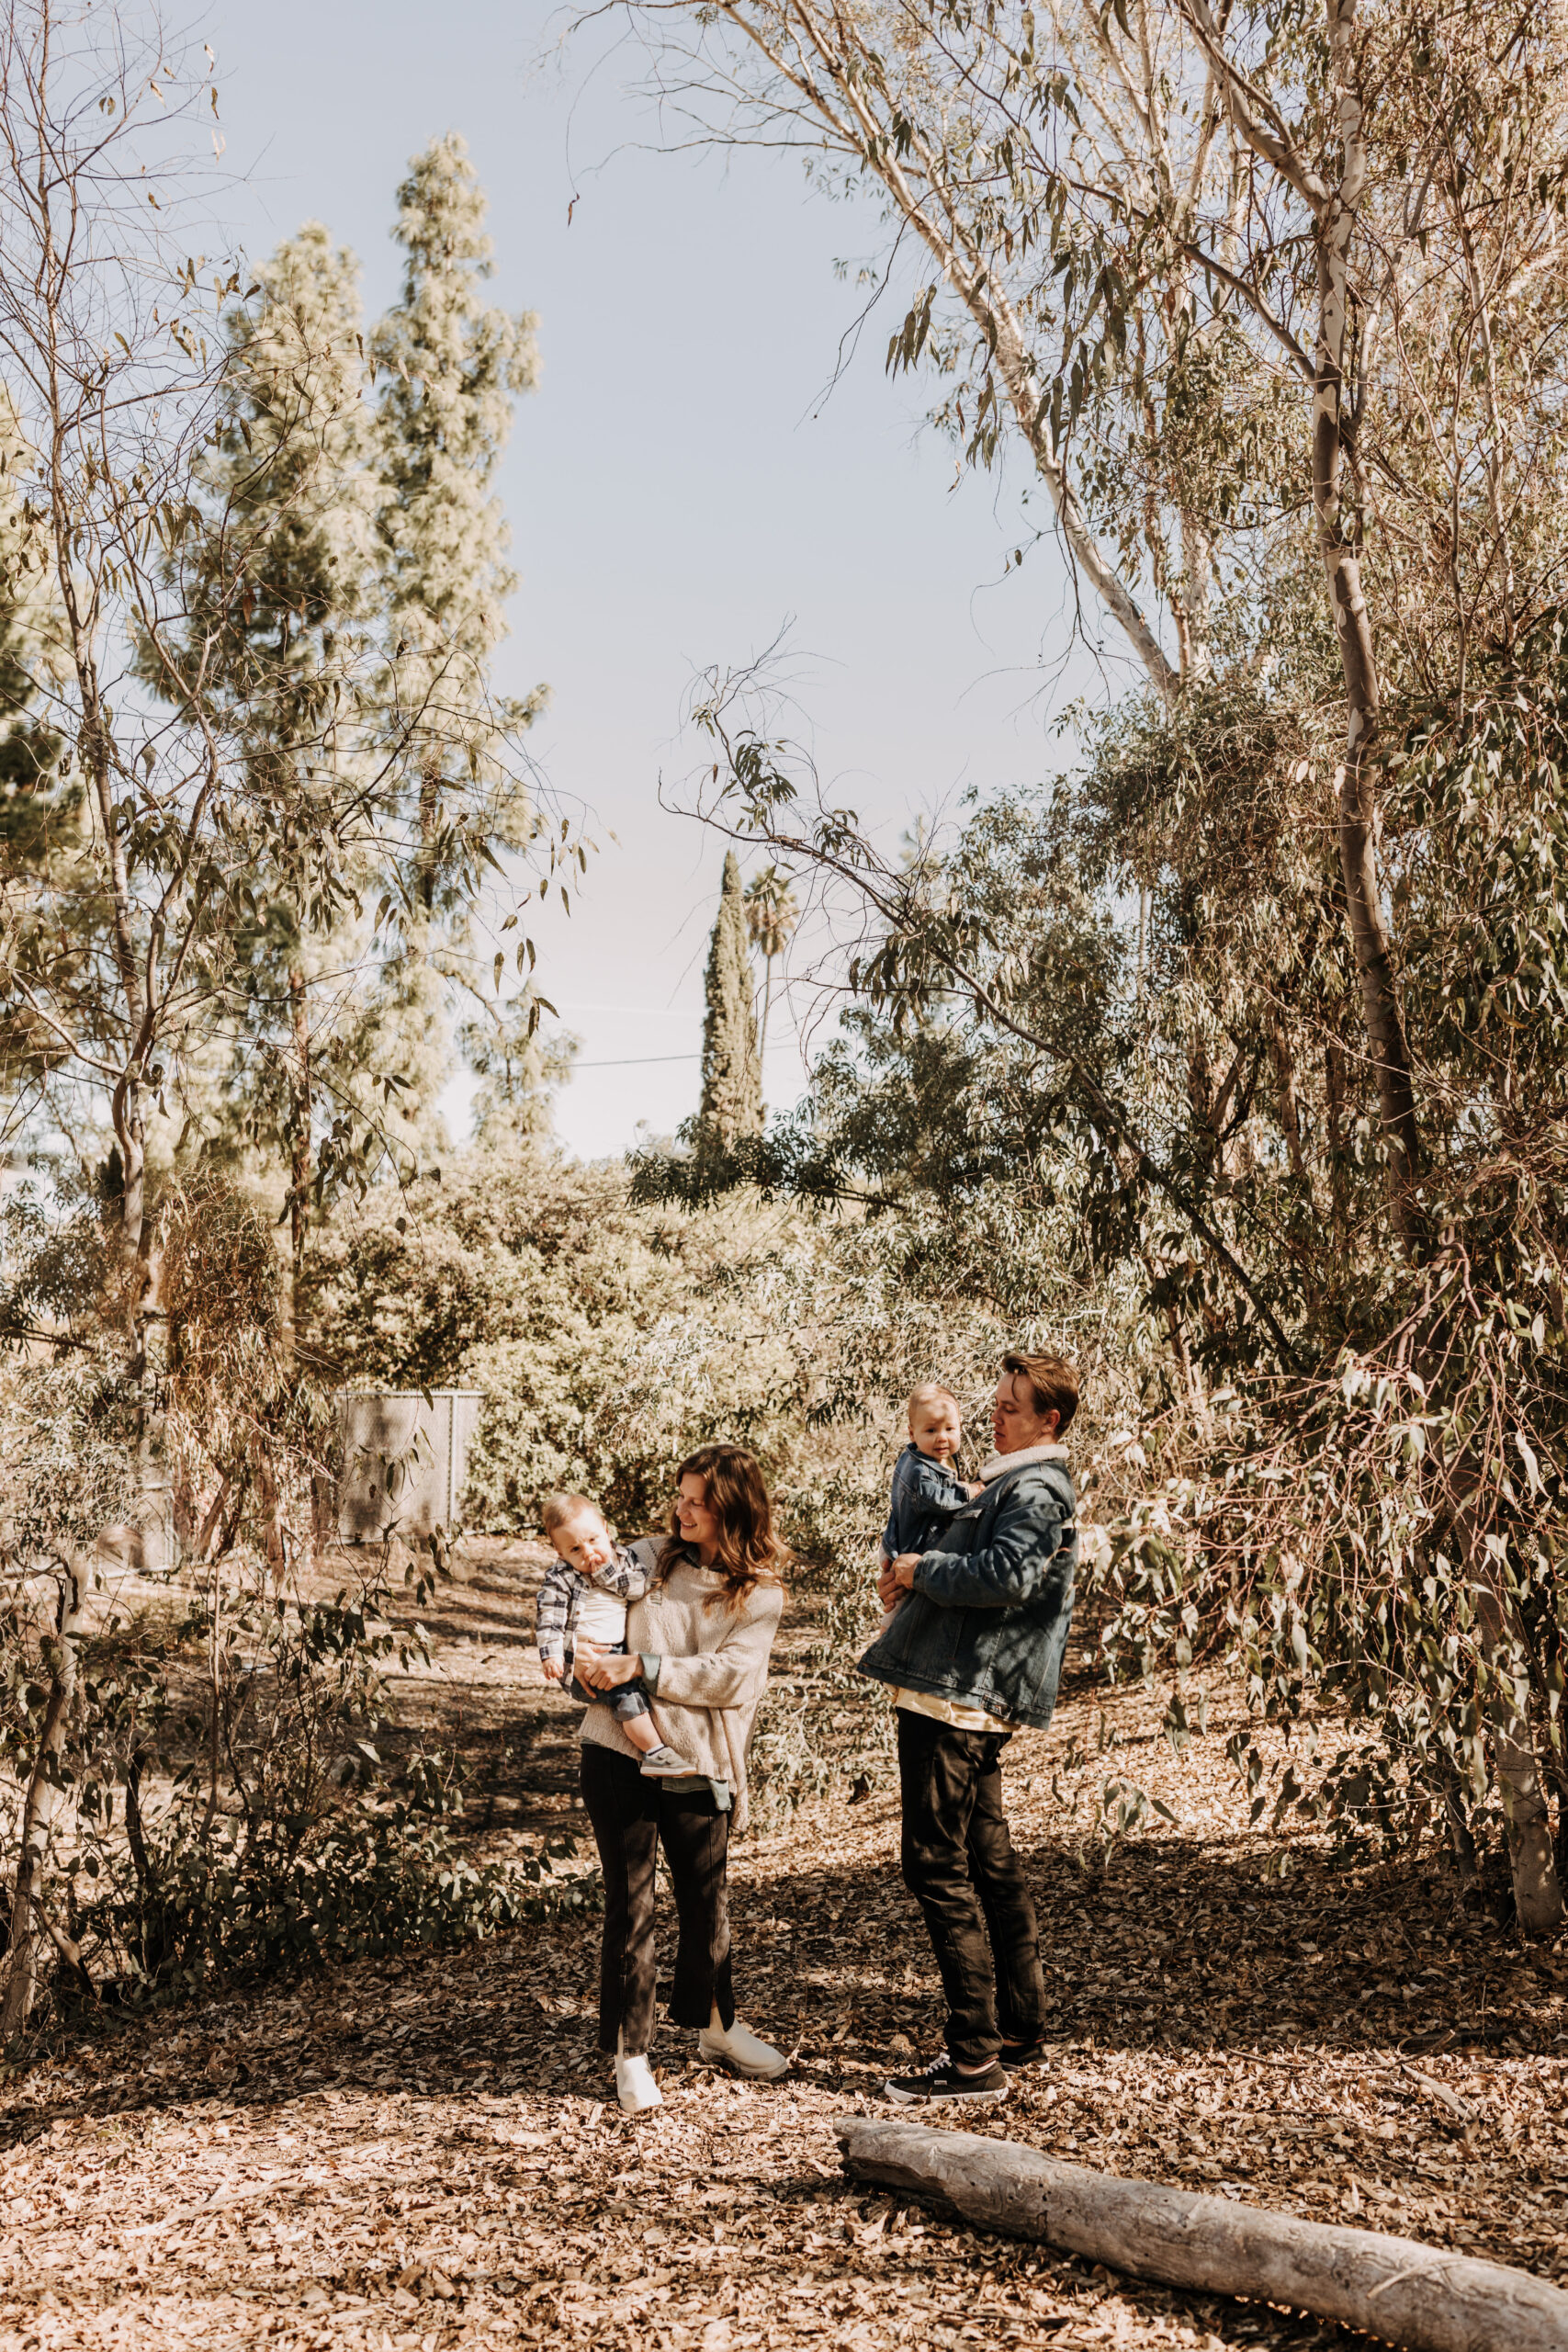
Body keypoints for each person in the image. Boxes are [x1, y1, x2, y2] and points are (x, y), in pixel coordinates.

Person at [858, 1350, 1079, 2105]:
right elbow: (975, 1561)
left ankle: (973, 2058)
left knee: (933, 1865)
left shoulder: (1037, 1488)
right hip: (954, 1689)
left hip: (957, 1698)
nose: (995, 1418)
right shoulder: (1007, 1482)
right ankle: (1018, 2032)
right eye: (995, 1404)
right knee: (987, 1861)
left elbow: (1007, 1578)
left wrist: (920, 1571)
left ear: (1049, 1420)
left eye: (1011, 1408)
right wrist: (907, 1571)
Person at [573, 1443, 788, 2115]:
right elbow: (586, 1599)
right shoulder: (646, 1558)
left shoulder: (759, 1595)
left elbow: (731, 1678)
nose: (682, 1509)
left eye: (698, 1500)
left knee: (705, 1905)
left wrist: (643, 1666)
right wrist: (579, 1653)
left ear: (733, 1508)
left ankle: (717, 2029)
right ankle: (630, 2054)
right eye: (681, 1495)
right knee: (630, 1905)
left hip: (701, 1761)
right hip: (618, 1750)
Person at [535, 1492, 694, 1776]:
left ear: (606, 1530)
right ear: (560, 1553)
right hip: (584, 1662)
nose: (588, 1554)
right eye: (575, 1550)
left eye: (593, 1540)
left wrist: (606, 1573)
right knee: (628, 1696)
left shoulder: (623, 1558)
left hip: (616, 1652)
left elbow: (639, 1587)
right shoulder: (561, 1577)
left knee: (639, 1692)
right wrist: (552, 1654)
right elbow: (549, 1618)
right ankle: (654, 1753)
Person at [876, 1383, 979, 1633]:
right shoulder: (919, 1470)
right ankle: (889, 1635)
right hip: (905, 1547)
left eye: (950, 1428)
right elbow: (937, 1498)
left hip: (907, 1541)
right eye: (931, 1430)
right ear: (912, 1434)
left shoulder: (941, 1458)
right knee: (901, 1607)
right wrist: (969, 1491)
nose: (942, 1437)